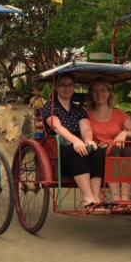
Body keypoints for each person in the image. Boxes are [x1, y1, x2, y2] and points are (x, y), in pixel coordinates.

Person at [41, 74, 109, 213]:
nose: (66, 88)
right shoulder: (50, 107)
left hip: (78, 146)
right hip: (58, 151)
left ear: (74, 87)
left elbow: (86, 128)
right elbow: (57, 127)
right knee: (76, 151)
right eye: (63, 85)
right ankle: (88, 199)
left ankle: (96, 198)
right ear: (56, 87)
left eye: (70, 85)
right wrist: (76, 141)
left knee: (96, 150)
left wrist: (88, 140)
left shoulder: (79, 110)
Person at [86, 78, 131, 202]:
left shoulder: (119, 114)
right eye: (95, 91)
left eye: (103, 91)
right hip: (98, 156)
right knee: (115, 150)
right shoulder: (87, 115)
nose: (99, 94)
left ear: (109, 93)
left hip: (120, 156)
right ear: (91, 94)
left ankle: (125, 198)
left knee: (129, 151)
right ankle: (115, 198)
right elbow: (85, 136)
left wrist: (125, 132)